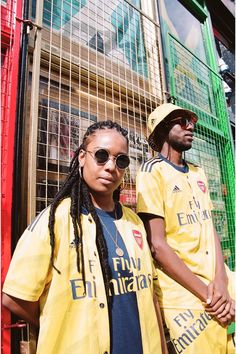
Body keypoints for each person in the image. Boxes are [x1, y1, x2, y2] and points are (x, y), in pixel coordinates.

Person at [3, 120, 167, 354]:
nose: (111, 166)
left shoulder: (134, 222)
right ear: (81, 157)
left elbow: (149, 296)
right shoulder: (56, 220)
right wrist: (64, 328)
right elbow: (15, 298)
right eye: (101, 155)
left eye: (121, 160)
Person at [136, 103, 235, 353]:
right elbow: (157, 246)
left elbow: (209, 226)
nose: (190, 126)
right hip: (183, 287)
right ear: (161, 127)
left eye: (191, 122)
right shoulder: (151, 172)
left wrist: (221, 281)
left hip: (216, 279)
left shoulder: (198, 172)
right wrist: (208, 295)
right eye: (181, 121)